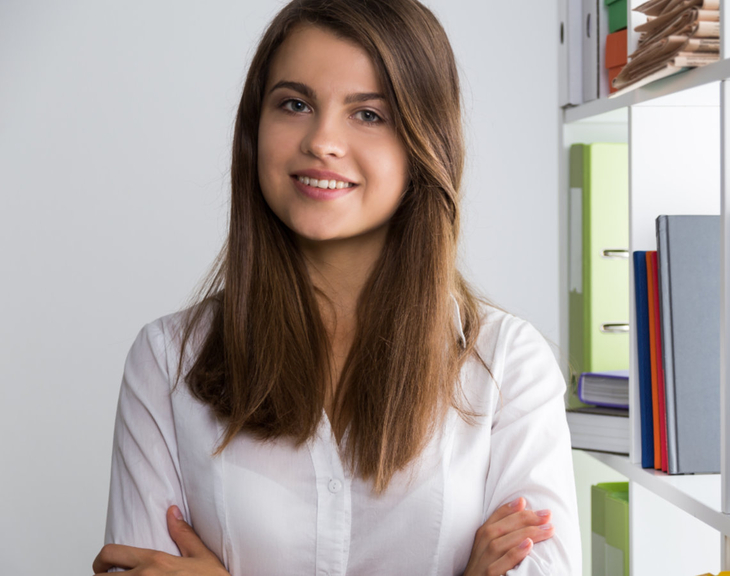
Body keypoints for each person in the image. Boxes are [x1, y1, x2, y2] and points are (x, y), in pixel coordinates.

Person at [90, 1, 582, 574]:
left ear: (425, 143)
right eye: (294, 104)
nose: (322, 140)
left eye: (368, 114)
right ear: (255, 129)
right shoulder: (166, 362)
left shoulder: (507, 366)